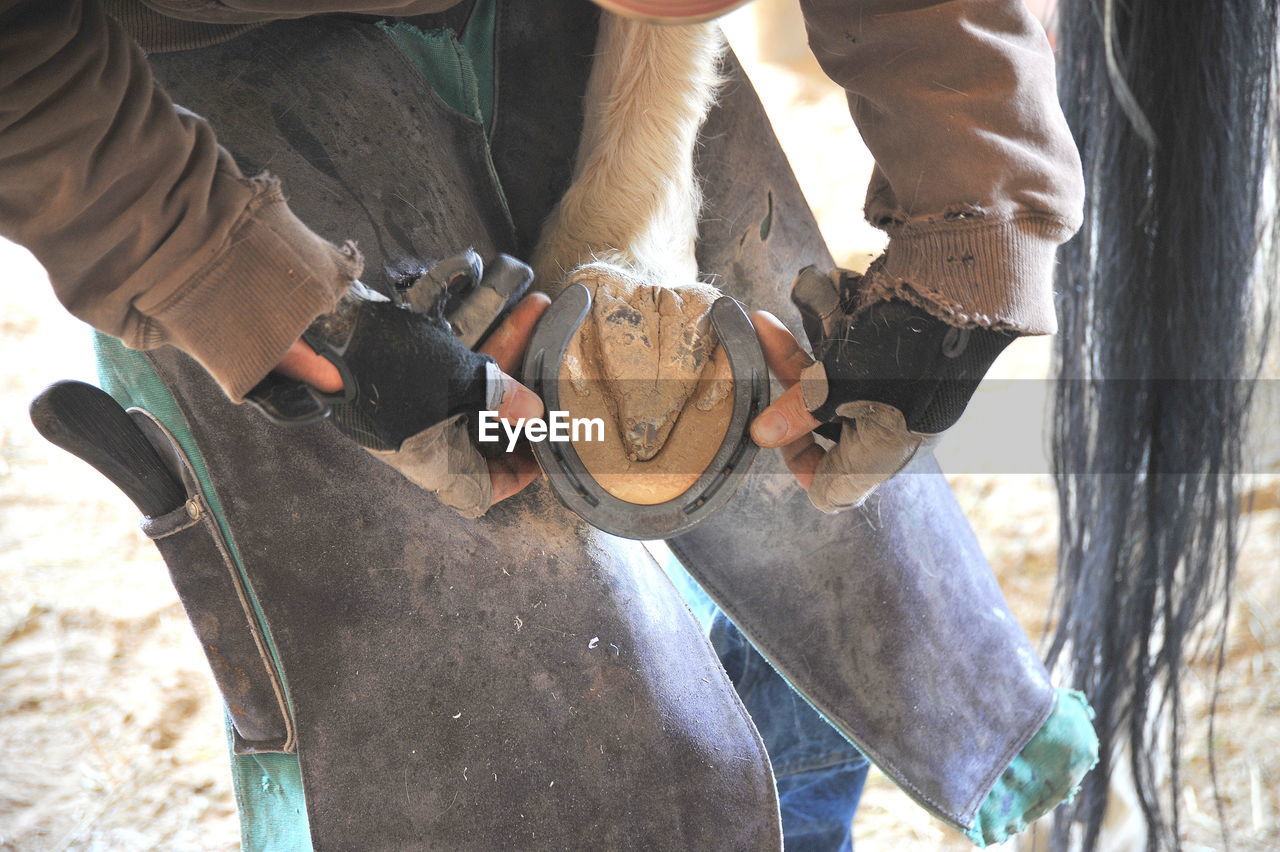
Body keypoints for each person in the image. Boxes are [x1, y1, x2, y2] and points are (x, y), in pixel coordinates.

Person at [0, 1, 1092, 849]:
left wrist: (974, 222)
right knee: (451, 642)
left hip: (584, 34)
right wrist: (259, 298)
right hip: (182, 72)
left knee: (820, 532)